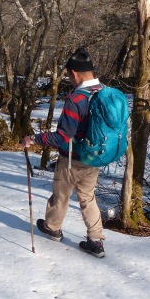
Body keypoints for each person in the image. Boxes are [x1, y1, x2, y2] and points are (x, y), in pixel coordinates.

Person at [22, 47, 106, 258]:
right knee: (88, 198)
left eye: (69, 75)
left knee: (61, 195)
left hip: (71, 159)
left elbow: (63, 136)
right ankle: (96, 242)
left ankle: (52, 227)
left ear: (74, 73)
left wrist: (35, 138)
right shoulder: (104, 92)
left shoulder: (76, 99)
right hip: (95, 157)